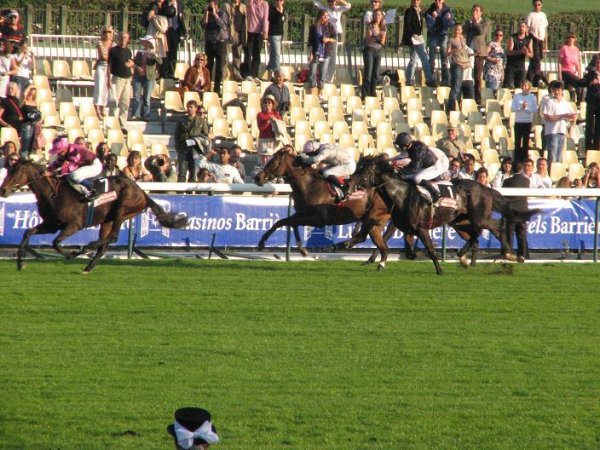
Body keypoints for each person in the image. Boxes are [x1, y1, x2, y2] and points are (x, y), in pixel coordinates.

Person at [391, 132, 449, 203]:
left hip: (435, 166)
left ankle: (436, 194)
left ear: (406, 144)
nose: (399, 147)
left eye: (400, 145)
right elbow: (409, 162)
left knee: (417, 178)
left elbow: (414, 168)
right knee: (406, 176)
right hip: (425, 166)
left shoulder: (418, 150)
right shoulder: (411, 147)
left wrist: (401, 171)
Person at [43, 136, 103, 201]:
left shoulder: (74, 150)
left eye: (59, 151)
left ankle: (93, 190)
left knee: (74, 175)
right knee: (69, 177)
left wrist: (52, 173)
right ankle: (86, 192)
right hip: (87, 165)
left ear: (64, 148)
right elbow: (57, 163)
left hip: (94, 165)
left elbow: (70, 168)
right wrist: (47, 170)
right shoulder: (64, 152)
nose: (58, 153)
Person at [313, 0, 351, 83]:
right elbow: (316, 2)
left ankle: (329, 79)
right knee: (323, 56)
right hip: (324, 33)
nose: (332, 3)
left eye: (333, 1)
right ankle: (321, 77)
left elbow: (348, 6)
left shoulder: (338, 9)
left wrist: (339, 0)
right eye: (330, 1)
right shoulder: (325, 8)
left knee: (333, 57)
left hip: (334, 35)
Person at [542, 80, 576, 165]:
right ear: (553, 91)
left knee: (559, 157)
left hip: (562, 131)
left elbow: (573, 114)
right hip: (552, 131)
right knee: (552, 157)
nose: (557, 92)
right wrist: (562, 116)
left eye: (559, 90)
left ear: (562, 91)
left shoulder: (565, 103)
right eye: (555, 90)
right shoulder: (549, 102)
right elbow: (548, 117)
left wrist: (572, 120)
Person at [175, 100, 210, 182]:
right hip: (184, 148)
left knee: (193, 173)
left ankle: (190, 193)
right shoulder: (182, 120)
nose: (189, 109)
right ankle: (180, 192)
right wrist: (178, 147)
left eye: (191, 107)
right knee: (182, 173)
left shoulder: (201, 121)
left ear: (195, 108)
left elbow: (205, 135)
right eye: (188, 107)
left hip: (195, 149)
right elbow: (177, 134)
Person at [402, 0, 435, 88]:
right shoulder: (410, 11)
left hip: (417, 36)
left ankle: (409, 80)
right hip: (415, 37)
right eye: (414, 0)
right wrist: (413, 34)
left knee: (413, 60)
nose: (416, 1)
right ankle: (429, 80)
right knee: (424, 58)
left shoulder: (419, 11)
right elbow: (407, 24)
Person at [463, 4, 490, 105]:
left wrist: (476, 22)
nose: (475, 12)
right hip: (469, 52)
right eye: (473, 10)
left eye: (477, 11)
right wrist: (470, 23)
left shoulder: (485, 22)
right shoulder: (468, 22)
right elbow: (463, 31)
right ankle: (467, 95)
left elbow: (481, 32)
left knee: (477, 76)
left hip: (479, 52)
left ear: (481, 13)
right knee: (467, 74)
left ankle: (477, 98)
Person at [131, 36, 162, 122]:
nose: (144, 44)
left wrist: (153, 55)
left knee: (146, 98)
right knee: (136, 96)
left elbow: (160, 62)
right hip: (138, 76)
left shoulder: (154, 53)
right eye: (144, 42)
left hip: (149, 77)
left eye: (146, 42)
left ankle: (146, 115)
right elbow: (134, 62)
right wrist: (137, 68)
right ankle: (135, 114)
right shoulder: (140, 52)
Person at [502, 167, 530, 262]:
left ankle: (509, 254)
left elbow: (504, 196)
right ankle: (522, 255)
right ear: (521, 169)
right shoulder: (526, 181)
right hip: (522, 211)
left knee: (510, 233)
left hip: (511, 211)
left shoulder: (507, 181)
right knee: (521, 234)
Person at [202, 0, 229, 95]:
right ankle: (208, 87)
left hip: (220, 42)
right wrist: (206, 13)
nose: (210, 7)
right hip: (210, 42)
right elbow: (204, 25)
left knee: (219, 67)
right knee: (208, 66)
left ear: (216, 6)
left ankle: (217, 89)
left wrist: (215, 14)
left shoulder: (222, 13)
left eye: (212, 5)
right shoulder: (207, 14)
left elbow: (223, 25)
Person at [425, 0, 454, 87]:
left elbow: (451, 24)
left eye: (440, 0)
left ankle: (446, 80)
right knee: (431, 59)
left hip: (443, 35)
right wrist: (433, 18)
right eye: (436, 0)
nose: (438, 1)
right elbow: (430, 27)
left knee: (444, 54)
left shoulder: (448, 10)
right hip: (433, 35)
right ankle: (430, 80)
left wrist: (446, 19)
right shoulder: (430, 10)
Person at [108, 32, 134, 128]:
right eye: (122, 37)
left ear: (128, 39)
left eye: (125, 38)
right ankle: (111, 124)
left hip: (127, 79)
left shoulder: (128, 51)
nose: (123, 39)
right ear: (118, 38)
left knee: (125, 103)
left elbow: (129, 62)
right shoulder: (113, 50)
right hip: (117, 78)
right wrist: (108, 78)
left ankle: (122, 124)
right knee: (114, 102)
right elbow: (109, 65)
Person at [308, 10, 336, 97]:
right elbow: (310, 41)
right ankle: (312, 90)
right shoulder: (314, 27)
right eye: (324, 16)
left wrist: (327, 39)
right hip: (316, 52)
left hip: (326, 52)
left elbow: (334, 38)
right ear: (320, 16)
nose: (325, 17)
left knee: (323, 73)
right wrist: (311, 53)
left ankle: (320, 92)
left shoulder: (330, 26)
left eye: (327, 16)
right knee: (313, 72)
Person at [510, 79, 537, 164]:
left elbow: (534, 109)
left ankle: (524, 159)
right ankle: (517, 160)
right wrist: (520, 107)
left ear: (529, 87)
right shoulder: (516, 96)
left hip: (527, 121)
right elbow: (513, 109)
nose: (524, 87)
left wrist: (526, 108)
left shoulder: (532, 97)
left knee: (525, 141)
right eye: (523, 86)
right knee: (517, 141)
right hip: (518, 121)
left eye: (526, 86)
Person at [362, 9, 386, 99]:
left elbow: (383, 42)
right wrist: (377, 37)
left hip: (378, 51)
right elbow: (368, 40)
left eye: (379, 15)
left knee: (375, 73)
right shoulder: (370, 26)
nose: (377, 16)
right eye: (376, 15)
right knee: (368, 73)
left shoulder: (383, 27)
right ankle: (365, 94)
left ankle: (372, 92)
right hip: (369, 50)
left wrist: (382, 37)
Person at [525, 0, 548, 87]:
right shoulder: (530, 15)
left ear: (541, 5)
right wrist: (528, 43)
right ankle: (540, 77)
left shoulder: (543, 15)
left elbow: (545, 30)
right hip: (533, 39)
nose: (537, 6)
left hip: (541, 40)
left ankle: (531, 79)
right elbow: (527, 29)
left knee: (536, 61)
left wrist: (546, 42)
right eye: (535, 5)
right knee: (536, 61)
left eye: (539, 5)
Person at [446, 23, 469, 112]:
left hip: (462, 64)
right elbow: (447, 53)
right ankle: (451, 107)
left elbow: (465, 50)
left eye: (459, 30)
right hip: (455, 64)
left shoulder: (462, 39)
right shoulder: (451, 40)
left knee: (458, 86)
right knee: (455, 86)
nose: (457, 31)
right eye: (456, 29)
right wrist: (453, 50)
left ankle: (457, 105)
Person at [93, 26, 114, 119]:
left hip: (110, 67)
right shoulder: (100, 43)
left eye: (109, 32)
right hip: (102, 66)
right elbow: (103, 56)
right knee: (99, 87)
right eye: (105, 32)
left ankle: (103, 107)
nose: (107, 34)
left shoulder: (114, 44)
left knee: (106, 89)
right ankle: (97, 108)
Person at [161, 0, 186, 79]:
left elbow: (181, 18)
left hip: (176, 31)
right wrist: (169, 5)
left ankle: (171, 74)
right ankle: (164, 74)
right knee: (165, 53)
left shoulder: (180, 4)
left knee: (173, 54)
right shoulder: (164, 3)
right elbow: (163, 13)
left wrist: (184, 31)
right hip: (166, 30)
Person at [503, 21, 533, 89]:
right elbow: (508, 52)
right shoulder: (512, 37)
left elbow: (531, 54)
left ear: (526, 28)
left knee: (520, 87)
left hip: (521, 66)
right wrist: (520, 51)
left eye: (523, 26)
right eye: (520, 26)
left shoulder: (529, 39)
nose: (521, 28)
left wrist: (526, 53)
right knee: (508, 86)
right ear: (517, 28)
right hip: (511, 66)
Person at [580, 56, 600, 151]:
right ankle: (588, 149)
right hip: (591, 102)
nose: (599, 65)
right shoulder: (591, 74)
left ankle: (596, 150)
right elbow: (581, 83)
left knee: (598, 128)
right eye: (597, 64)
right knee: (589, 126)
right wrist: (591, 82)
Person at [246, 0, 269, 79]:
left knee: (256, 54)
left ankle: (255, 74)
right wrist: (250, 3)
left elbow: (265, 18)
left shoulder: (265, 4)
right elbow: (247, 13)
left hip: (259, 32)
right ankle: (248, 73)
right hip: (249, 31)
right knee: (248, 53)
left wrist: (265, 31)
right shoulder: (250, 2)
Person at [224, 0, 247, 81]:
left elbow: (246, 21)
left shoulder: (243, 7)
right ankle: (224, 74)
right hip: (229, 34)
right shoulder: (226, 6)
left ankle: (237, 74)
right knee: (225, 55)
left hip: (239, 33)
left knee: (237, 55)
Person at [557, 33, 583, 105]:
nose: (571, 39)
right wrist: (559, 74)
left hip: (573, 72)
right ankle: (578, 103)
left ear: (575, 39)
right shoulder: (564, 48)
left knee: (569, 90)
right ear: (567, 39)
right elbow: (559, 62)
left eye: (572, 37)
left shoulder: (576, 49)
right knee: (580, 84)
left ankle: (571, 104)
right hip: (565, 71)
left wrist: (580, 75)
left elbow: (578, 64)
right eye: (569, 37)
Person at [19, 85, 42, 160]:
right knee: (25, 146)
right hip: (26, 125)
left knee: (32, 146)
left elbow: (38, 114)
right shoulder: (24, 101)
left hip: (34, 125)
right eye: (31, 89)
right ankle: (23, 160)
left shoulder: (35, 102)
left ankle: (29, 159)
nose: (32, 91)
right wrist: (29, 86)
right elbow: (23, 96)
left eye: (34, 89)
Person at [267, 0, 286, 77]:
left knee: (273, 55)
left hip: (280, 34)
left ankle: (269, 74)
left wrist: (281, 12)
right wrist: (280, 12)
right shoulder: (272, 10)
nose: (279, 2)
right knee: (277, 55)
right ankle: (278, 75)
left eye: (281, 1)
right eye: (278, 1)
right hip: (273, 34)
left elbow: (282, 21)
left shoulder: (283, 10)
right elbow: (276, 21)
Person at [484, 28, 505, 94]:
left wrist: (502, 73)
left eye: (500, 35)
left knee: (497, 94)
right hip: (491, 72)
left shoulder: (501, 47)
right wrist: (492, 59)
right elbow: (485, 55)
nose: (498, 37)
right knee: (491, 93)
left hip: (498, 73)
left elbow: (502, 62)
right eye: (497, 35)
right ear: (494, 35)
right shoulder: (491, 44)